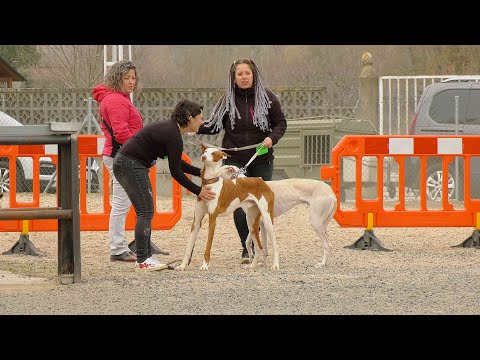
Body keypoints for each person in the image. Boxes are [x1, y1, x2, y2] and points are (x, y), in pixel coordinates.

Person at [197, 58, 287, 264]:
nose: (244, 77)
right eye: (240, 74)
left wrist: (271, 138)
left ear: (254, 75)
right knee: (238, 204)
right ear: (233, 77)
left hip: (261, 158)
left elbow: (280, 123)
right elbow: (214, 126)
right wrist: (193, 126)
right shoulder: (226, 100)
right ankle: (247, 249)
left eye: (247, 73)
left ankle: (262, 248)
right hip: (235, 160)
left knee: (261, 205)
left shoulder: (269, 98)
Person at [113, 99, 216, 271]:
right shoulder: (173, 134)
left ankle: (145, 257)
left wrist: (200, 173)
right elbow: (175, 172)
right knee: (145, 210)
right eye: (200, 118)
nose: (202, 122)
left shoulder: (171, 130)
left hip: (128, 164)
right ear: (190, 118)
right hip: (130, 164)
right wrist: (199, 190)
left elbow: (179, 164)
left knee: (146, 210)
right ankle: (143, 259)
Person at [93, 59, 142, 262]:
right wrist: (143, 148)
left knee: (122, 203)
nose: (131, 82)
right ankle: (117, 248)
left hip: (119, 154)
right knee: (121, 203)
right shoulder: (115, 101)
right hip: (120, 155)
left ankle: (119, 246)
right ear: (117, 78)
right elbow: (122, 133)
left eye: (133, 78)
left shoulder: (118, 99)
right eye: (126, 78)